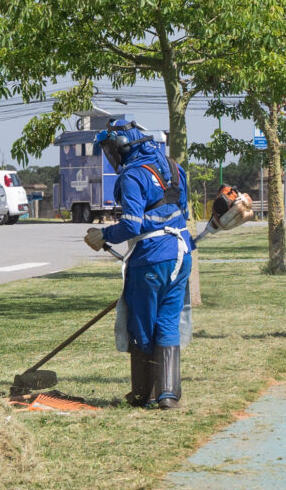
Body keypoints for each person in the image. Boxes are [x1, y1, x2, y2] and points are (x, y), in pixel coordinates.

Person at [83, 118, 194, 410]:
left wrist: (103, 235)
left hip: (151, 260)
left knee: (142, 323)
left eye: (110, 148)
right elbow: (181, 209)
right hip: (181, 254)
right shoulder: (171, 166)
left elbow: (132, 225)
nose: (110, 155)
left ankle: (142, 393)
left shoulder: (132, 176)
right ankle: (168, 394)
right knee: (168, 320)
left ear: (122, 146)